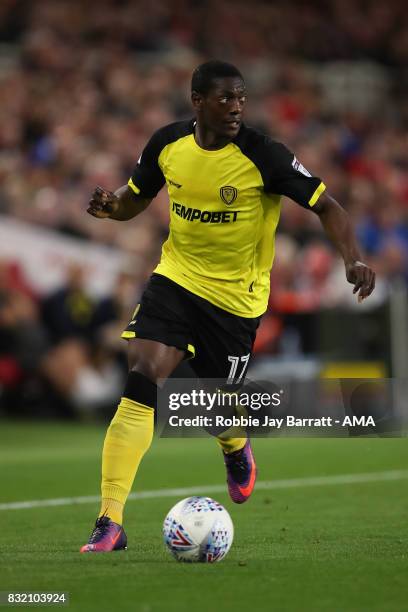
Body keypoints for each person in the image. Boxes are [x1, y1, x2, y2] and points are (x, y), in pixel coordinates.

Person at [80, 60, 375, 553]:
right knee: (143, 374)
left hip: (235, 302)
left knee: (216, 403)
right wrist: (112, 207)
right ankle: (109, 519)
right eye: (224, 98)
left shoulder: (264, 155)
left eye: (241, 97)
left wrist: (353, 259)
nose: (236, 106)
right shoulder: (167, 144)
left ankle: (235, 444)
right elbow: (134, 198)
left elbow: (329, 207)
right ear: (198, 101)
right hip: (175, 280)